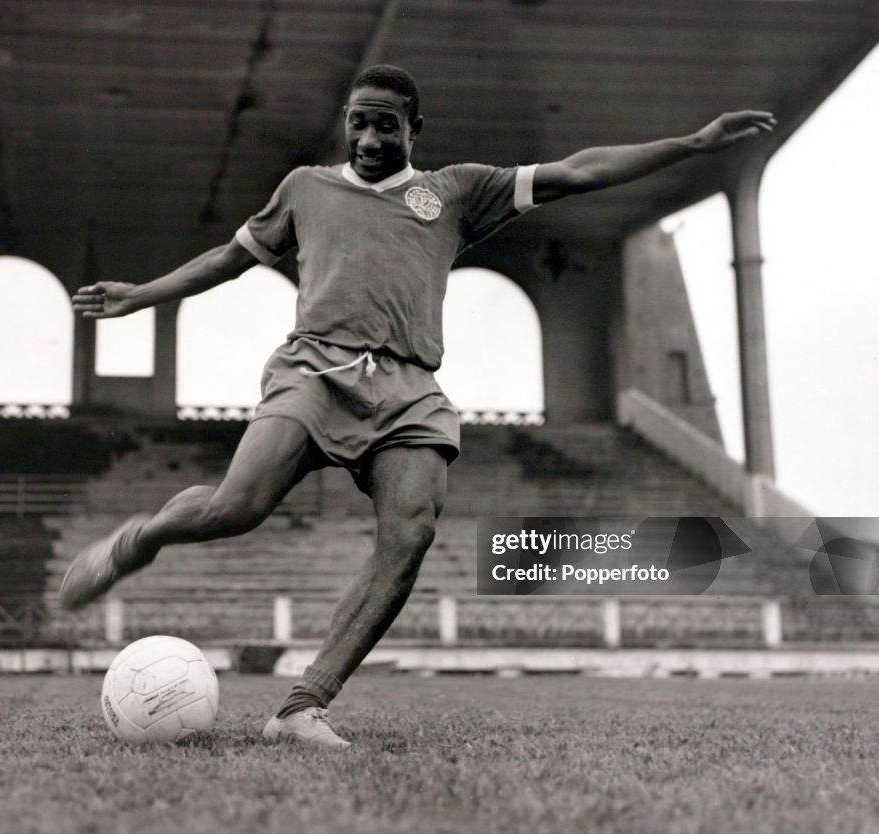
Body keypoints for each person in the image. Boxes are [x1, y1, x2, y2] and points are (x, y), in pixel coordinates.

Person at [60, 65, 775, 747]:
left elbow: (577, 172)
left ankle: (302, 707)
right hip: (313, 368)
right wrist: (140, 295)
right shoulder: (305, 188)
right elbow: (231, 257)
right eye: (359, 124)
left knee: (411, 534)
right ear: (346, 124)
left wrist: (694, 143)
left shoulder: (455, 192)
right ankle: (141, 539)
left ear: (414, 130)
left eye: (387, 127)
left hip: (406, 390)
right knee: (237, 508)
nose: (370, 140)